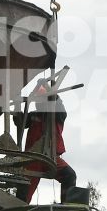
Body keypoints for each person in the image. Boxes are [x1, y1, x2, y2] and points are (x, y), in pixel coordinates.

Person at [19, 74, 79, 202]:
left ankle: (66, 209)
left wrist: (47, 86)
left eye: (41, 100)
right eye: (37, 101)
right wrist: (18, 109)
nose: (38, 104)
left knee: (69, 175)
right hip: (32, 159)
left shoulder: (58, 114)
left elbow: (57, 102)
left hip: (50, 157)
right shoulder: (33, 116)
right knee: (23, 195)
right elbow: (20, 122)